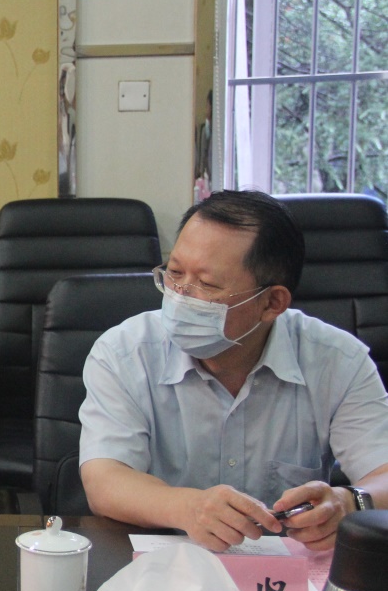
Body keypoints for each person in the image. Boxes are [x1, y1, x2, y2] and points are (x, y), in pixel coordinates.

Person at [79, 189, 388, 551]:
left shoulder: (338, 360)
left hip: (285, 570)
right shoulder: (124, 352)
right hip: (165, 559)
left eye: (207, 285)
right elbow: (104, 480)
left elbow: (382, 472)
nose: (180, 295)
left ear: (272, 302)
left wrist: (349, 502)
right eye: (175, 273)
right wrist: (188, 507)